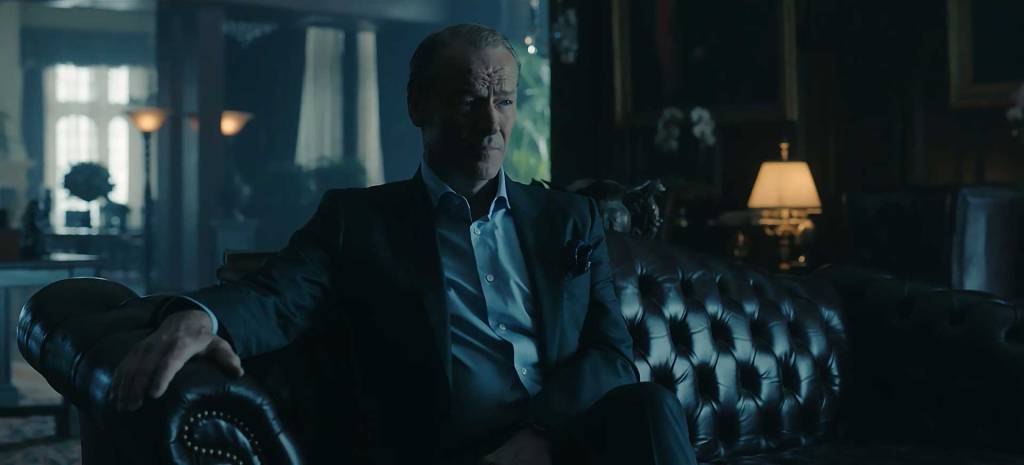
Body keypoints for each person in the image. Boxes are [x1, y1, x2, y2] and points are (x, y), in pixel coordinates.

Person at [109, 24, 697, 465]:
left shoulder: (568, 218)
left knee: (648, 407)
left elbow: (612, 354)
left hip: (562, 437)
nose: (491, 124)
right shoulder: (358, 221)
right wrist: (198, 318)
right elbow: (276, 297)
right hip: (449, 447)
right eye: (469, 101)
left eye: (504, 101)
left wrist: (538, 436)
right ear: (418, 105)